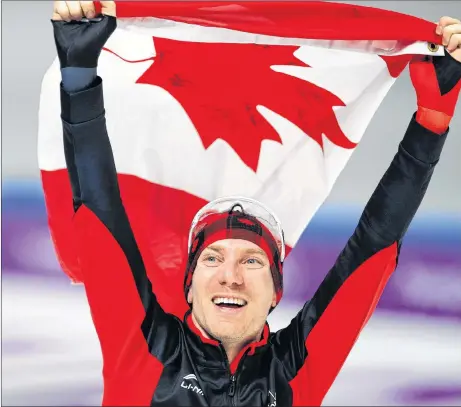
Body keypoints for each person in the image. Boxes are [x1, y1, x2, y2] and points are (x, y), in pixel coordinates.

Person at [51, 1, 461, 406]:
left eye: (251, 261)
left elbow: (374, 247)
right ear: (188, 287)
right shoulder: (141, 350)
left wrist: (433, 118)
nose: (231, 276)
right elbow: (97, 206)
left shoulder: (295, 372)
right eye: (212, 259)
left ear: (276, 293)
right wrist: (79, 75)